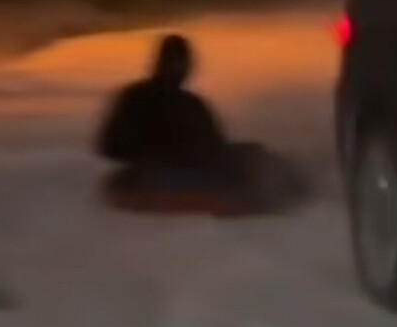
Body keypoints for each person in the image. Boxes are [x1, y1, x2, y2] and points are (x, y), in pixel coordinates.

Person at [94, 34, 308, 215]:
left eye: (183, 63)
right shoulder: (137, 97)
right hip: (156, 172)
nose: (181, 69)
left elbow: (215, 145)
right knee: (225, 169)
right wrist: (154, 154)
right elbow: (110, 145)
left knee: (252, 152)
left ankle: (287, 186)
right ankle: (255, 196)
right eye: (176, 62)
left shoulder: (191, 103)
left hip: (194, 166)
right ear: (160, 63)